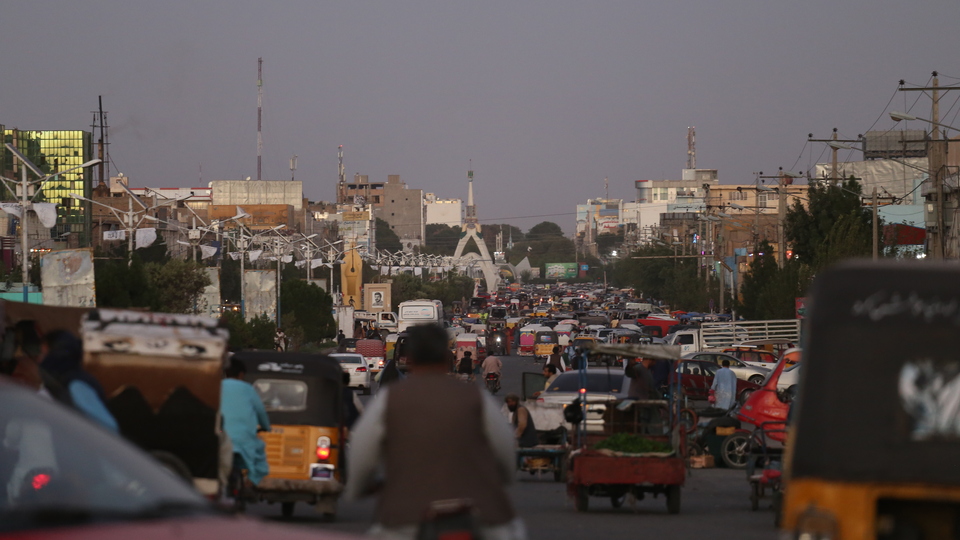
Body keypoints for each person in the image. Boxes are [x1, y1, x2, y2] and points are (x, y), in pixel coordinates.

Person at [346, 324, 524, 540]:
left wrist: (356, 489)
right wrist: (501, 480)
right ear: (445, 355)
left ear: (409, 357)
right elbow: (505, 451)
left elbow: (361, 454)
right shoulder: (476, 398)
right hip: (481, 517)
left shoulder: (389, 400)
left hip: (405, 521)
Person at [39, 330, 119, 432]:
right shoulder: (61, 384)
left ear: (57, 354)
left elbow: (107, 427)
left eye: (44, 354)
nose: (40, 360)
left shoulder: (76, 385)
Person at [221, 359, 271, 486]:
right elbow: (260, 412)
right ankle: (250, 482)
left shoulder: (217, 386)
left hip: (220, 438)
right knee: (260, 457)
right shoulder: (248, 389)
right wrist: (266, 427)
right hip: (243, 439)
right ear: (241, 374)